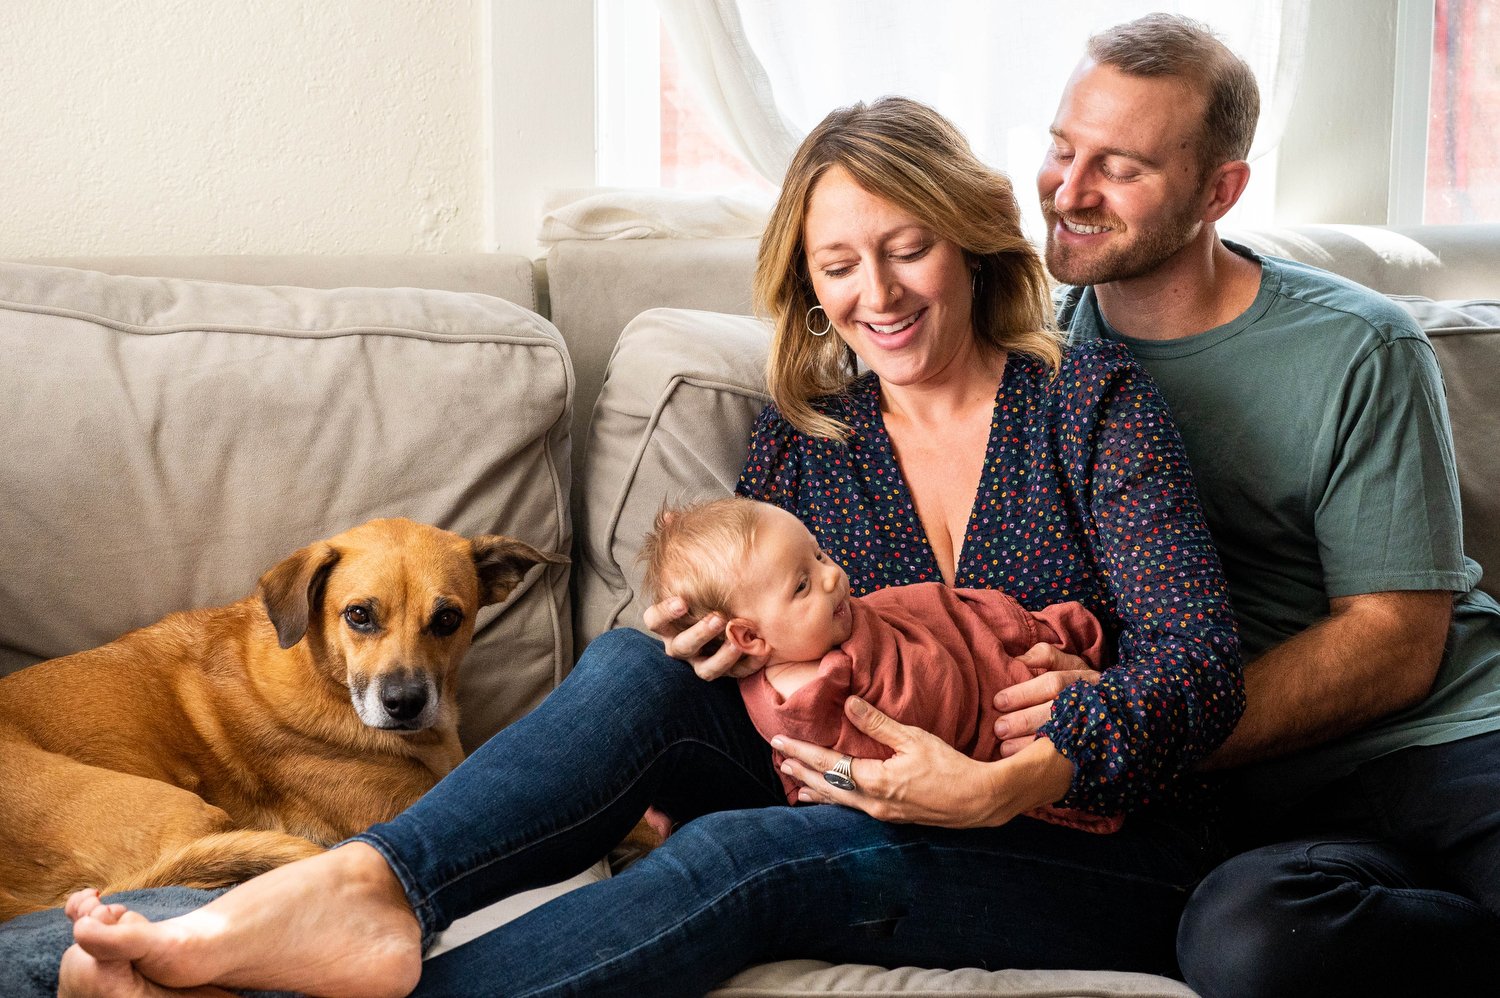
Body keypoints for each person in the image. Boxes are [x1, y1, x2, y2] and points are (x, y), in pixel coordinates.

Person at [23, 94, 1243, 998]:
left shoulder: (1087, 403)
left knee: (749, 856)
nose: (878, 292)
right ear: (809, 284)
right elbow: (734, 653)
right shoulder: (809, 436)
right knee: (636, 663)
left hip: (1075, 837)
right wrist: (710, 645)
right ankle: (368, 887)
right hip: (833, 769)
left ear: (972, 241)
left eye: (908, 246)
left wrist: (1014, 776)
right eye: (838, 264)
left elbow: (1197, 659)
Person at [986, 13, 1500, 997]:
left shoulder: (1358, 344)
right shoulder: (1034, 364)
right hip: (1280, 814)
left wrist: (1136, 723)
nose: (1070, 190)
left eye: (1122, 166)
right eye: (1061, 149)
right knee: (1246, 945)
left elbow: (1396, 639)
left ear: (1219, 189)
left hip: (1453, 739)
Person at [639, 496, 1118, 833]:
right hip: (902, 793)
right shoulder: (811, 695)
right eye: (802, 585)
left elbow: (937, 623)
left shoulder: (824, 626)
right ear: (747, 637)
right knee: (629, 658)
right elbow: (883, 748)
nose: (833, 576)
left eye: (821, 554)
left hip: (1015, 723)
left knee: (721, 850)